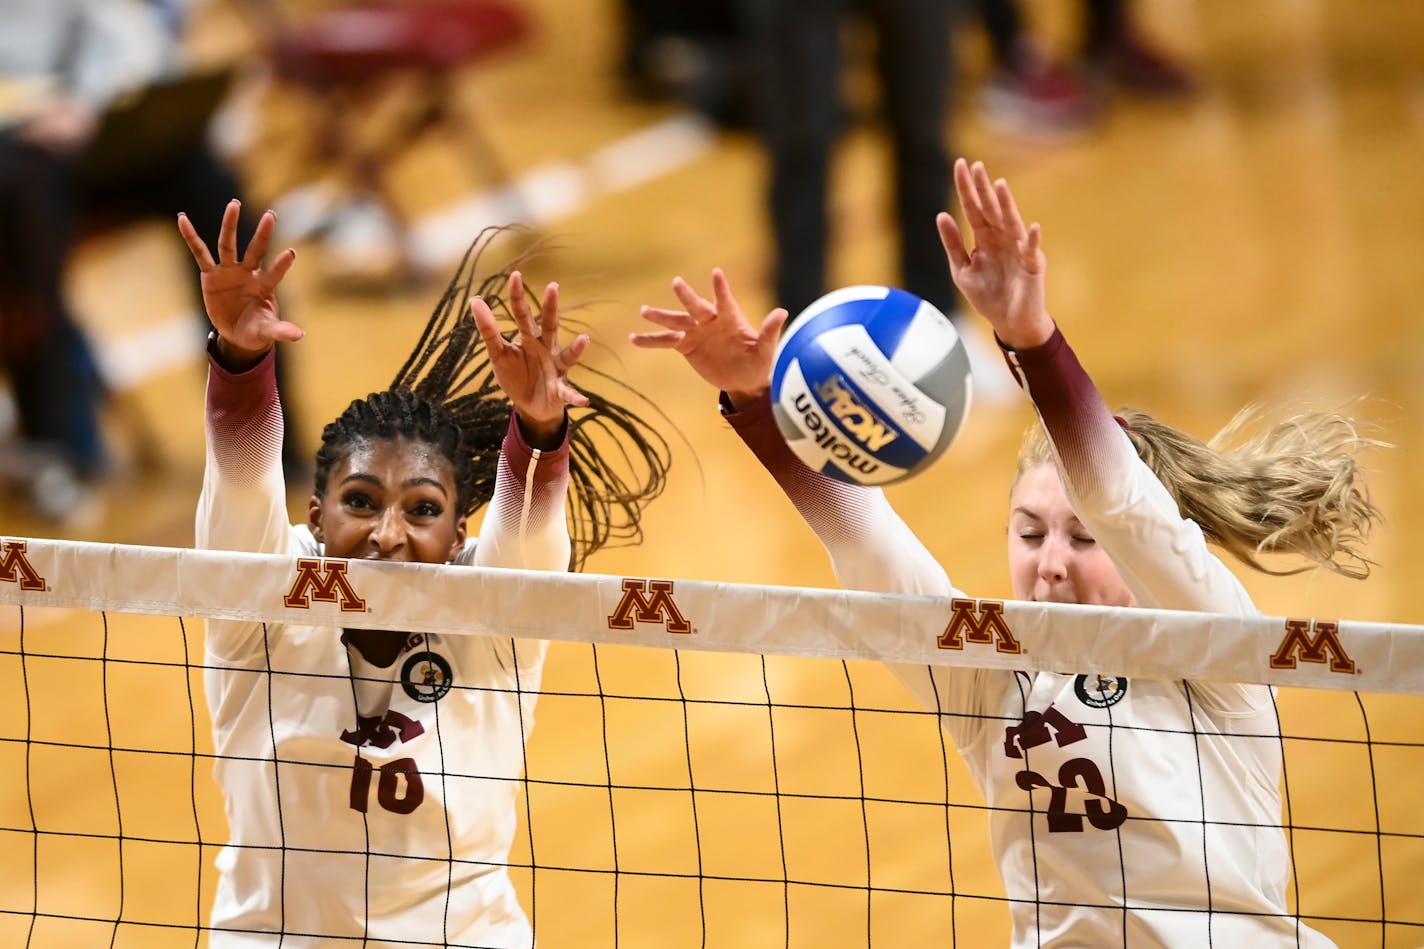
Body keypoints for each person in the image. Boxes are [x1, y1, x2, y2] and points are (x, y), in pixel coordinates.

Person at [633, 158, 1378, 945]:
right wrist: (758, 404)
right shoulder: (995, 687)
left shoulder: (1217, 649)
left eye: (1082, 538)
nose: (1050, 561)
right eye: (1029, 532)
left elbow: (1123, 503)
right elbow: (872, 553)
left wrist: (1031, 340)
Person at [180, 200, 669, 947]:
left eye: (421, 509)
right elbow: (241, 487)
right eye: (360, 501)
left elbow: (531, 537)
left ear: (458, 533)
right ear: (315, 518)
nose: (386, 533)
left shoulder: (489, 614)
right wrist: (241, 363)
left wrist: (539, 428)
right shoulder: (264, 605)